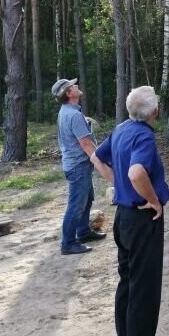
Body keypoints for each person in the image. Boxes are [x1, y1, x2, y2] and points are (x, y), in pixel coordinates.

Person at [91, 86, 169, 336]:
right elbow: (136, 173)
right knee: (144, 290)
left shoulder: (122, 128)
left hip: (123, 220)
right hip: (142, 220)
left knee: (127, 282)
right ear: (154, 112)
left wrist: (117, 182)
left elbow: (95, 157)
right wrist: (153, 200)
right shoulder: (143, 137)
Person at [52, 78, 105, 255]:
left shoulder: (68, 111)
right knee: (75, 206)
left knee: (87, 199)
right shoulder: (73, 115)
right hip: (78, 166)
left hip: (77, 165)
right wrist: (101, 161)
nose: (77, 86)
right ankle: (67, 244)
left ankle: (83, 232)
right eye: (73, 86)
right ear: (68, 93)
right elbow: (86, 144)